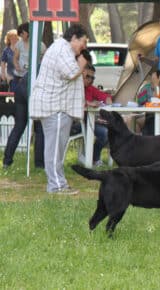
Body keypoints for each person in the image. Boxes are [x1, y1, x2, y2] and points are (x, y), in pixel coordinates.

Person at [29, 24, 88, 195]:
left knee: (56, 148)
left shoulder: (62, 49)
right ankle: (56, 186)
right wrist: (82, 64)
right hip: (56, 107)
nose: (83, 47)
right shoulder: (62, 49)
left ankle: (59, 183)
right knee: (55, 149)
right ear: (74, 38)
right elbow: (71, 73)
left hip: (56, 106)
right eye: (82, 42)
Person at [3, 23, 46, 169]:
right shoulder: (22, 45)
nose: (21, 35)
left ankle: (7, 160)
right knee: (39, 127)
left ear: (28, 32)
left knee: (20, 125)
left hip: (22, 85)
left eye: (22, 33)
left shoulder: (40, 45)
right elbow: (16, 59)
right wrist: (18, 67)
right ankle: (39, 164)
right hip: (29, 84)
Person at [71, 63, 111, 167]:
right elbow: (72, 102)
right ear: (81, 75)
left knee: (111, 130)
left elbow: (104, 96)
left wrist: (107, 99)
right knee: (105, 133)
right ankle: (94, 158)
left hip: (88, 121)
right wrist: (88, 103)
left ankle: (93, 157)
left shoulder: (90, 88)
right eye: (88, 77)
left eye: (93, 77)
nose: (90, 80)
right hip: (74, 122)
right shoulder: (73, 86)